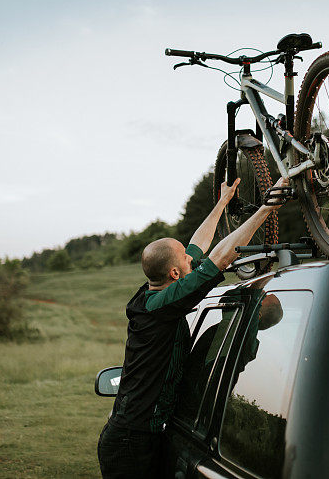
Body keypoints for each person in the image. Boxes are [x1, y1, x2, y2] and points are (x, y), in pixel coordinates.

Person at [97, 176, 289, 479]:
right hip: (130, 444)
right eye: (186, 260)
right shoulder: (163, 305)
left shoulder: (158, 290)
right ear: (175, 273)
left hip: (139, 436)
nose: (191, 258)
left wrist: (222, 202)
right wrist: (267, 208)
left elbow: (198, 246)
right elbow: (220, 258)